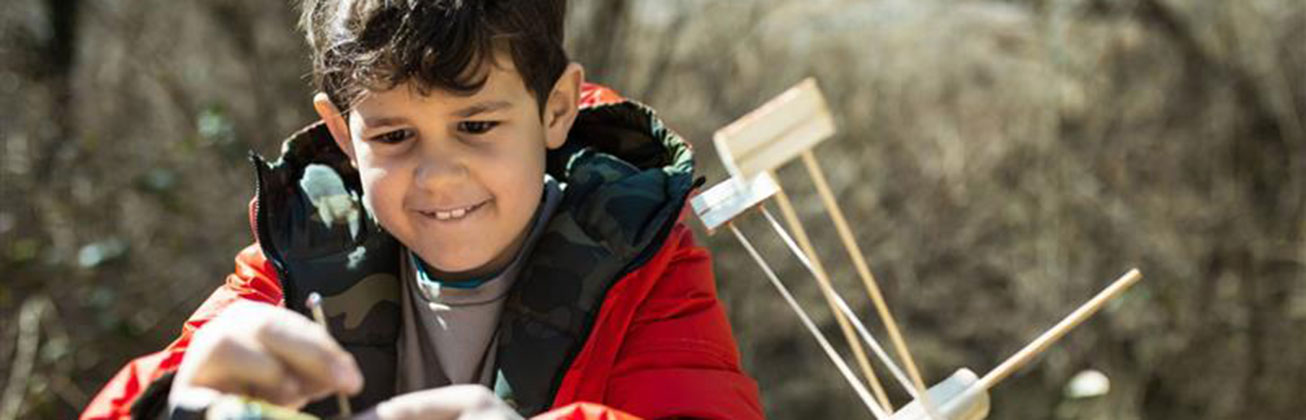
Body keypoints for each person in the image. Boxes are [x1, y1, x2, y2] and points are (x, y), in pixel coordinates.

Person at [79, 1, 762, 419]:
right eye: (394, 136)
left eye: (477, 127)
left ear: (555, 108)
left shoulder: (644, 270)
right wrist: (172, 407)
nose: (438, 177)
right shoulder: (291, 265)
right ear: (344, 135)